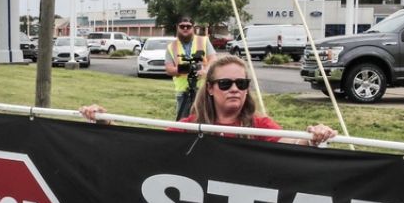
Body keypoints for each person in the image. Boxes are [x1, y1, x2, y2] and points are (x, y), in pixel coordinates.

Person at [80, 54, 336, 147]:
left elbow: (290, 143)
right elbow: (146, 146)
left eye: (241, 84)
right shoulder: (189, 126)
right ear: (211, 88)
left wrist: (312, 137)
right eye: (225, 84)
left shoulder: (260, 126)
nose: (234, 89)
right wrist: (106, 122)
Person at [164, 16, 216, 121]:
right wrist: (187, 69)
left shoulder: (204, 40)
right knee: (182, 122)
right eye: (182, 26)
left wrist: (205, 70)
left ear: (193, 27)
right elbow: (169, 69)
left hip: (203, 90)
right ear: (177, 27)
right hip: (182, 92)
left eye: (188, 26)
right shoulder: (171, 46)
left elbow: (213, 59)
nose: (185, 28)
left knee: (204, 120)